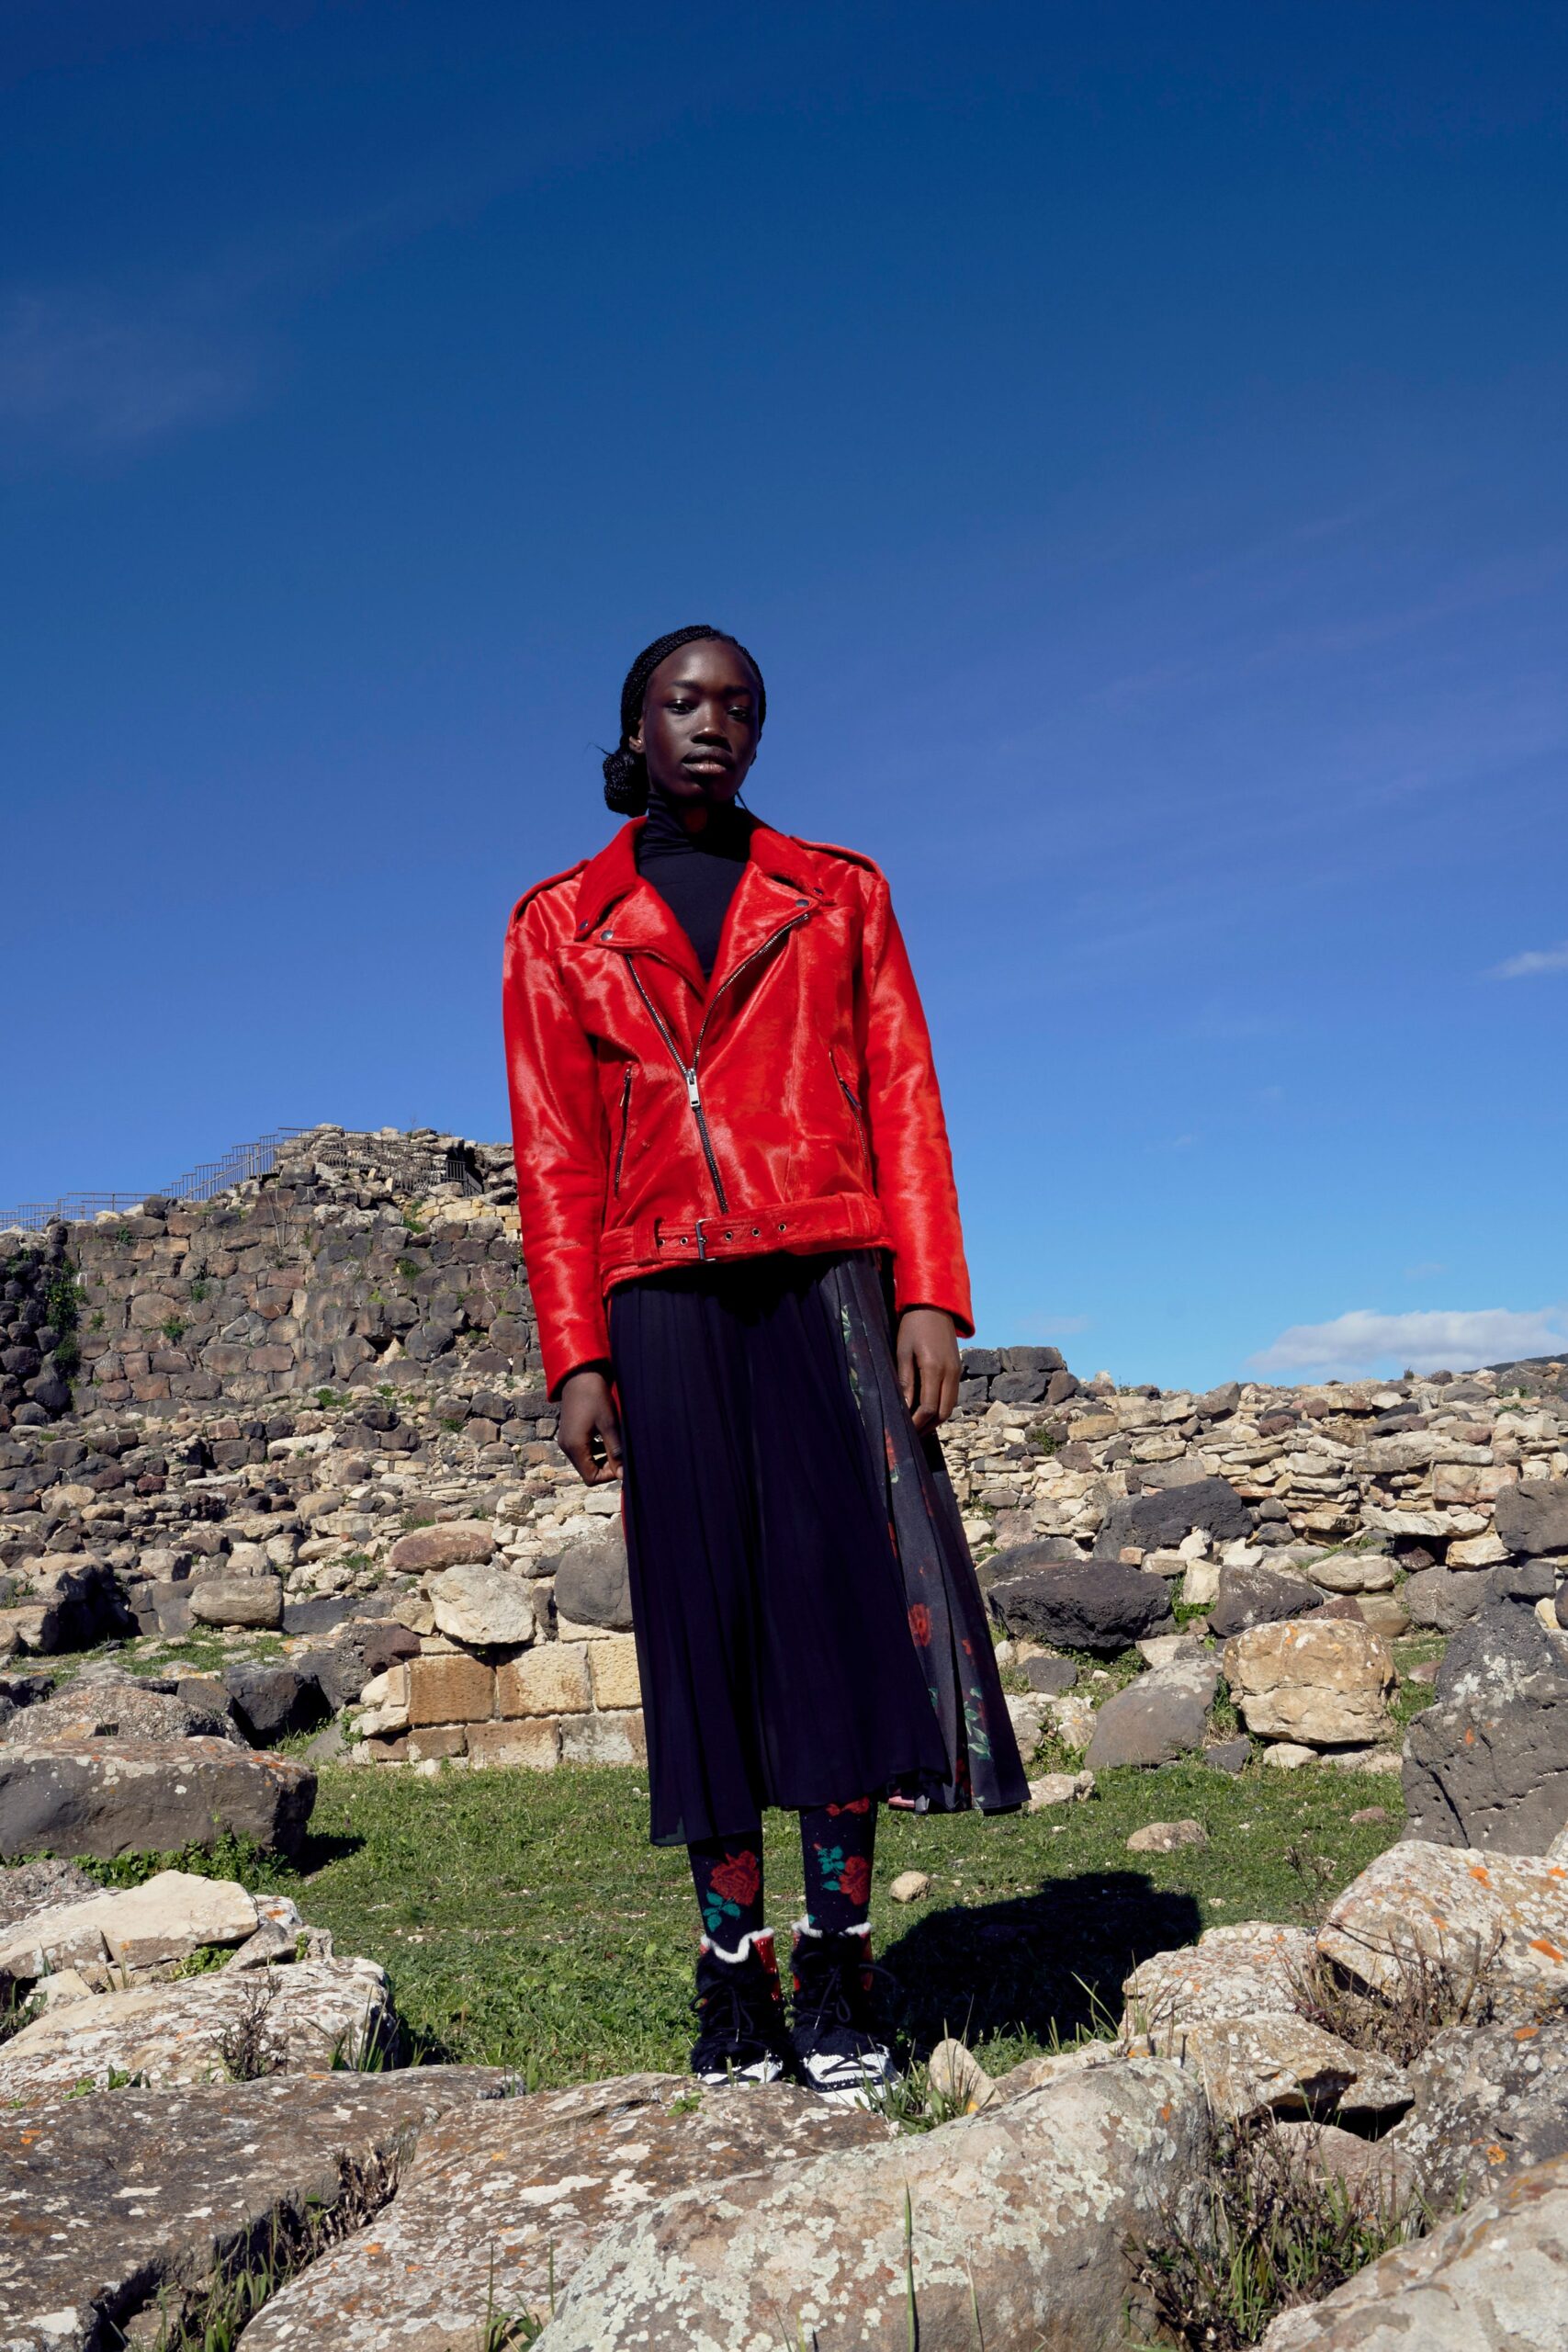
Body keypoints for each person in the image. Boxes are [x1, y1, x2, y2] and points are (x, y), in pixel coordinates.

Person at [502, 624, 1025, 2100]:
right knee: (704, 1631)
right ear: (635, 727)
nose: (711, 724)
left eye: (737, 705)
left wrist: (933, 1294)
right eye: (683, 702)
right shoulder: (559, 924)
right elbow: (552, 1152)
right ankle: (731, 1972)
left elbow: (906, 1094)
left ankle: (841, 1957)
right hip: (659, 1295)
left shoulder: (838, 893)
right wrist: (574, 1355)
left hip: (830, 1279)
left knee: (841, 1619)